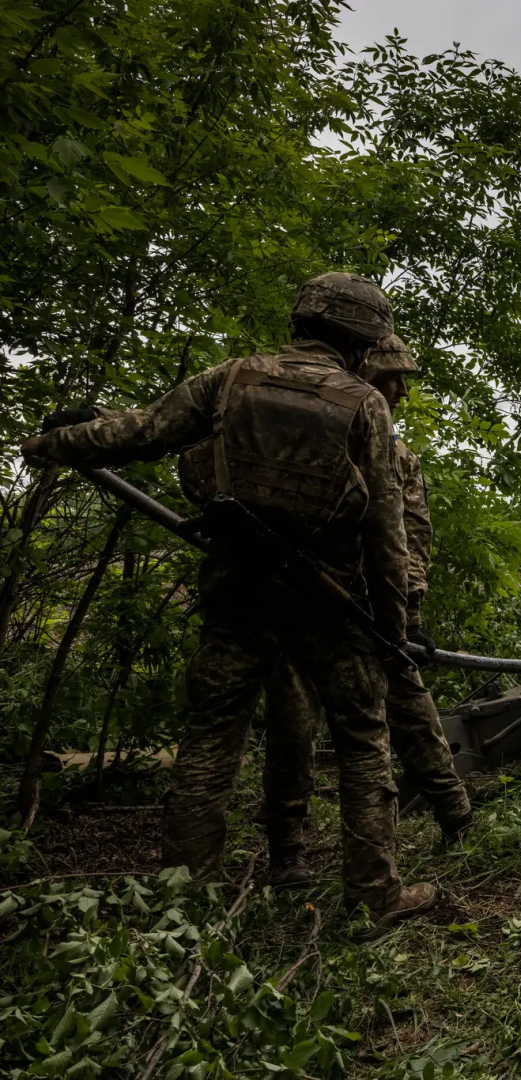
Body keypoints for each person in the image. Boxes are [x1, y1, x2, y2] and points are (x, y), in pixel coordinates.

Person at [20, 272, 437, 937]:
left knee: (210, 742)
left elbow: (143, 431)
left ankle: (184, 905)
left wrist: (53, 442)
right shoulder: (364, 406)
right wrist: (394, 630)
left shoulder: (232, 377)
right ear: (364, 340)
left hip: (236, 595)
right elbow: (385, 535)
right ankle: (372, 899)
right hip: (325, 608)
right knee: (362, 742)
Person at [258, 334, 474, 889]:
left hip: (380, 613)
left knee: (414, 715)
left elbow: (412, 537)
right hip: (305, 606)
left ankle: (459, 822)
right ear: (363, 375)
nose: (401, 392)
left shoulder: (401, 457)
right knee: (293, 726)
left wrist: (409, 611)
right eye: (391, 379)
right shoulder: (309, 435)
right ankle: (287, 851)